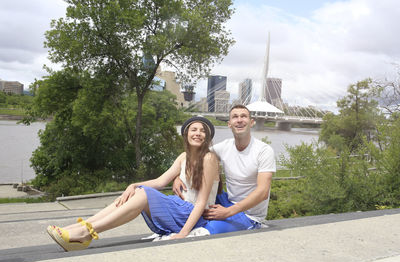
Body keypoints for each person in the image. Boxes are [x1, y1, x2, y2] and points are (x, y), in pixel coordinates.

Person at [47, 116, 220, 251]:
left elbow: (201, 202)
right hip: (179, 208)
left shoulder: (209, 158)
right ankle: (78, 228)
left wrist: (183, 234)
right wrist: (133, 185)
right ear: (186, 134)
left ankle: (86, 233)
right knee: (137, 191)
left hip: (194, 216)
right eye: (193, 129)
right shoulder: (183, 157)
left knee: (144, 193)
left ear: (207, 136)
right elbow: (161, 181)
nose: (197, 133)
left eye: (202, 131)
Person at [173, 104, 276, 234]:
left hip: (249, 214)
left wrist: (228, 212)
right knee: (191, 207)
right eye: (235, 117)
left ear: (252, 122)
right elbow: (195, 157)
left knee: (208, 230)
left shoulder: (264, 151)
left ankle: (253, 225)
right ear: (229, 124)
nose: (239, 120)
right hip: (227, 200)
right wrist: (177, 176)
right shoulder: (224, 147)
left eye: (243, 116)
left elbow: (263, 192)